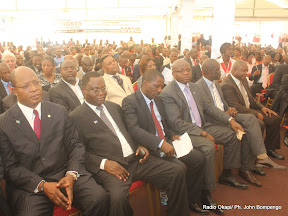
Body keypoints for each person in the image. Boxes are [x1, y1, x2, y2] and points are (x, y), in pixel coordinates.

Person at [70, 72, 190, 216]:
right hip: (114, 168)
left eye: (103, 88)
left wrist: (139, 145)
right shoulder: (75, 117)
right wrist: (103, 163)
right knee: (117, 199)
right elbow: (77, 151)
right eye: (95, 90)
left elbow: (130, 131)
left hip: (136, 160)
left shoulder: (114, 107)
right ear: (83, 90)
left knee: (176, 171)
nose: (101, 93)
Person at [0, 66, 108, 216]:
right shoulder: (4, 122)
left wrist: (71, 174)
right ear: (13, 90)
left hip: (66, 174)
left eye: (36, 83)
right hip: (31, 186)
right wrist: (42, 185)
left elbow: (75, 145)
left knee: (98, 198)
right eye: (26, 86)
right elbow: (10, 168)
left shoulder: (59, 111)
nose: (34, 89)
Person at [160, 59, 248, 214]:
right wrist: (203, 133)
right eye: (181, 71)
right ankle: (205, 194)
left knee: (231, 134)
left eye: (188, 69)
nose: (186, 73)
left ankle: (227, 174)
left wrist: (230, 119)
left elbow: (208, 107)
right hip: (185, 132)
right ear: (173, 74)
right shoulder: (168, 93)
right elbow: (176, 122)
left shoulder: (194, 87)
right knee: (208, 148)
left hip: (203, 126)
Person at [122, 69, 209, 214]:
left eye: (161, 86)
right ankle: (177, 210)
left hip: (167, 140)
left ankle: (191, 199)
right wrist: (160, 143)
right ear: (145, 83)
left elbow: (164, 122)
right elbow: (134, 129)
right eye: (156, 86)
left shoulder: (159, 99)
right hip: (151, 147)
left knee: (199, 158)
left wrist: (172, 135)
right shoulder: (130, 102)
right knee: (179, 169)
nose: (160, 90)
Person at [196, 59, 286, 185]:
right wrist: (228, 117)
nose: (220, 71)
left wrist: (229, 110)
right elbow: (208, 109)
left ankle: (259, 157)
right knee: (246, 129)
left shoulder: (215, 84)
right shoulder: (199, 86)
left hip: (225, 114)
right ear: (209, 72)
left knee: (250, 119)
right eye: (217, 69)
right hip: (214, 120)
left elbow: (223, 103)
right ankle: (248, 165)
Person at [221, 60, 284, 161]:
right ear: (234, 70)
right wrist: (255, 113)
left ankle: (269, 148)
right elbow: (235, 106)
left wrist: (262, 107)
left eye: (246, 71)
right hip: (239, 114)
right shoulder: (227, 85)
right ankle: (253, 158)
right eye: (244, 71)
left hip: (250, 109)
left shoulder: (244, 80)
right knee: (259, 123)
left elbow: (250, 98)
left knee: (276, 118)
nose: (246, 74)